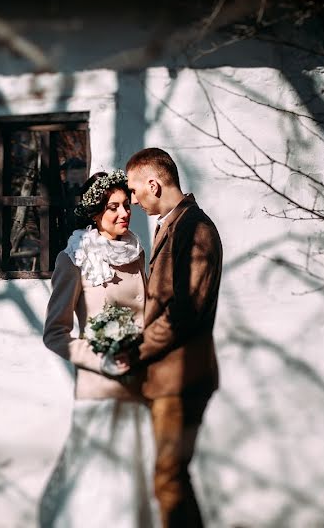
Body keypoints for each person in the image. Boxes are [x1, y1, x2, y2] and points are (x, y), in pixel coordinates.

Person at [39, 170, 160, 528]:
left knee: (139, 488)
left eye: (126, 206)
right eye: (113, 208)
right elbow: (55, 333)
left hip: (140, 384)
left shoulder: (137, 252)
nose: (124, 213)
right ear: (95, 213)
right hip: (100, 391)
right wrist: (101, 360)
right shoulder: (73, 258)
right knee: (101, 489)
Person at [125, 148, 222, 528]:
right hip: (168, 377)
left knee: (169, 478)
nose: (133, 200)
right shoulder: (174, 224)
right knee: (171, 478)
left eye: (134, 190)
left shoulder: (194, 228)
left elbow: (184, 310)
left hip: (182, 377)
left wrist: (139, 350)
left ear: (154, 183)